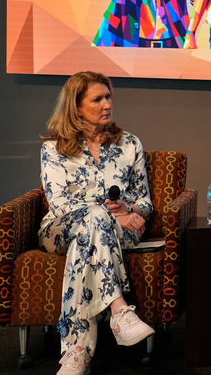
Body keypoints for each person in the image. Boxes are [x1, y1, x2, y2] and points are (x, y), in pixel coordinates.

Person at [40, 72, 156, 375]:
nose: (107, 104)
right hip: (60, 230)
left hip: (115, 232)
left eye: (108, 97)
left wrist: (128, 207)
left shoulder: (129, 144)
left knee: (90, 236)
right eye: (97, 99)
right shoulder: (54, 148)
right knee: (94, 219)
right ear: (77, 107)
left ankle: (77, 353)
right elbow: (60, 204)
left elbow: (145, 204)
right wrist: (113, 214)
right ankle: (119, 310)